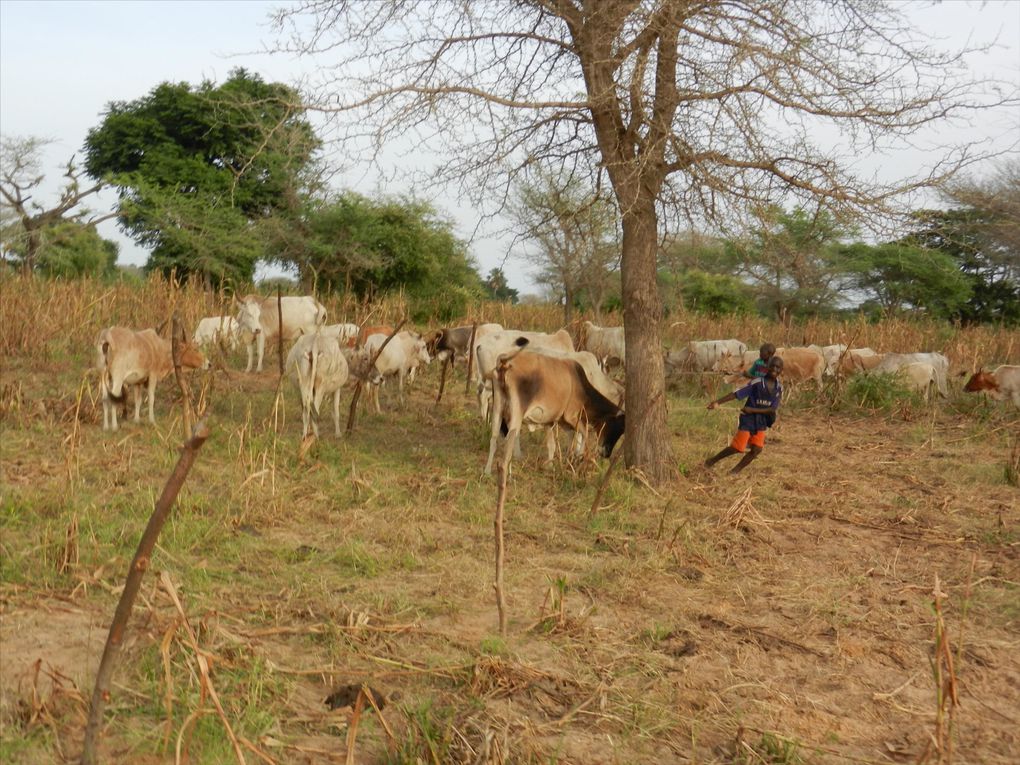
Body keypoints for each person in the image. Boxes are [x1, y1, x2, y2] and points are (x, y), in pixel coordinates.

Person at [704, 356, 783, 474]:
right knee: (738, 447)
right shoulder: (757, 382)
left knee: (757, 449)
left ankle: (734, 472)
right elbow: (737, 394)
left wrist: (753, 410)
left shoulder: (779, 388)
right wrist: (717, 402)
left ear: (781, 370)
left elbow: (772, 409)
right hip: (748, 418)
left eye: (778, 367)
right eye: (773, 366)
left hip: (761, 420)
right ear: (767, 367)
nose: (775, 369)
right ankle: (711, 461)